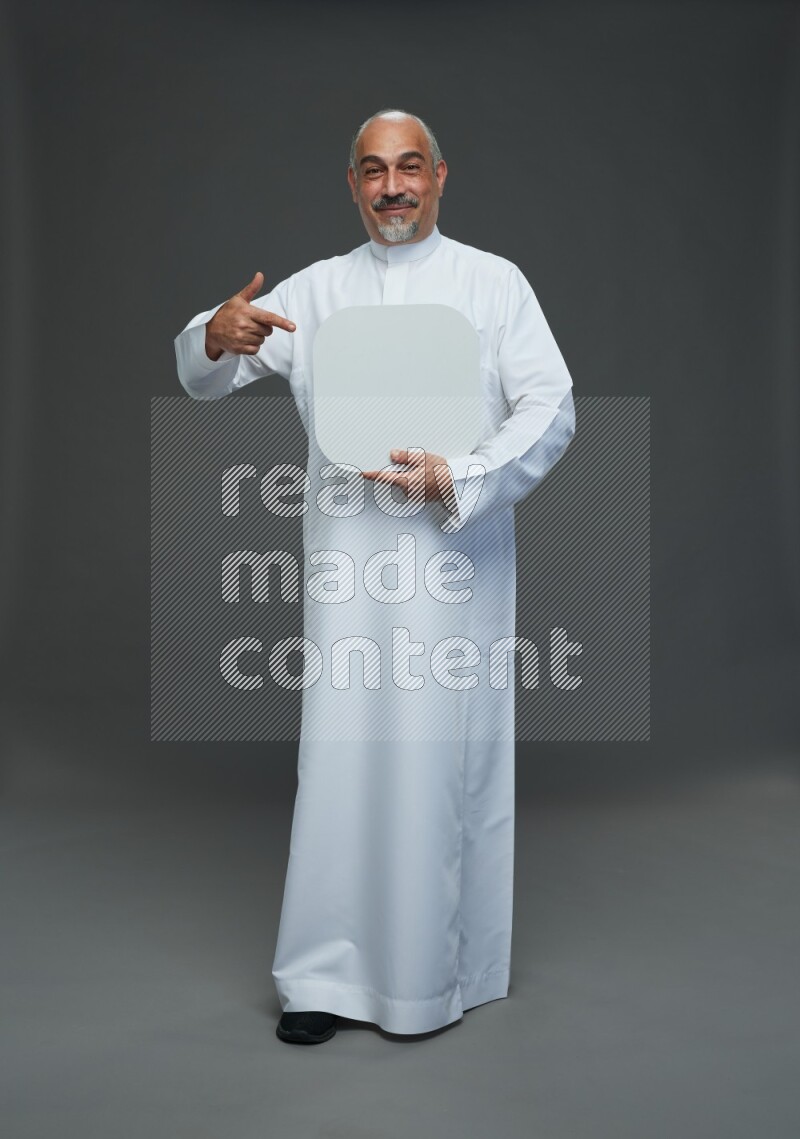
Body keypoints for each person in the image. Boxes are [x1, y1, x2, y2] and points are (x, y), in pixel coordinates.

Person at [174, 109, 575, 1045]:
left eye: (408, 168)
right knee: (342, 763)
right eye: (371, 171)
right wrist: (214, 330)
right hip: (349, 566)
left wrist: (462, 475)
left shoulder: (493, 284)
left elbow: (551, 407)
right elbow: (210, 372)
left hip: (453, 568)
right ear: (351, 183)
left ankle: (438, 974)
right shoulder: (317, 294)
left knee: (441, 766)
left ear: (441, 175)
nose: (391, 187)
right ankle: (321, 975)